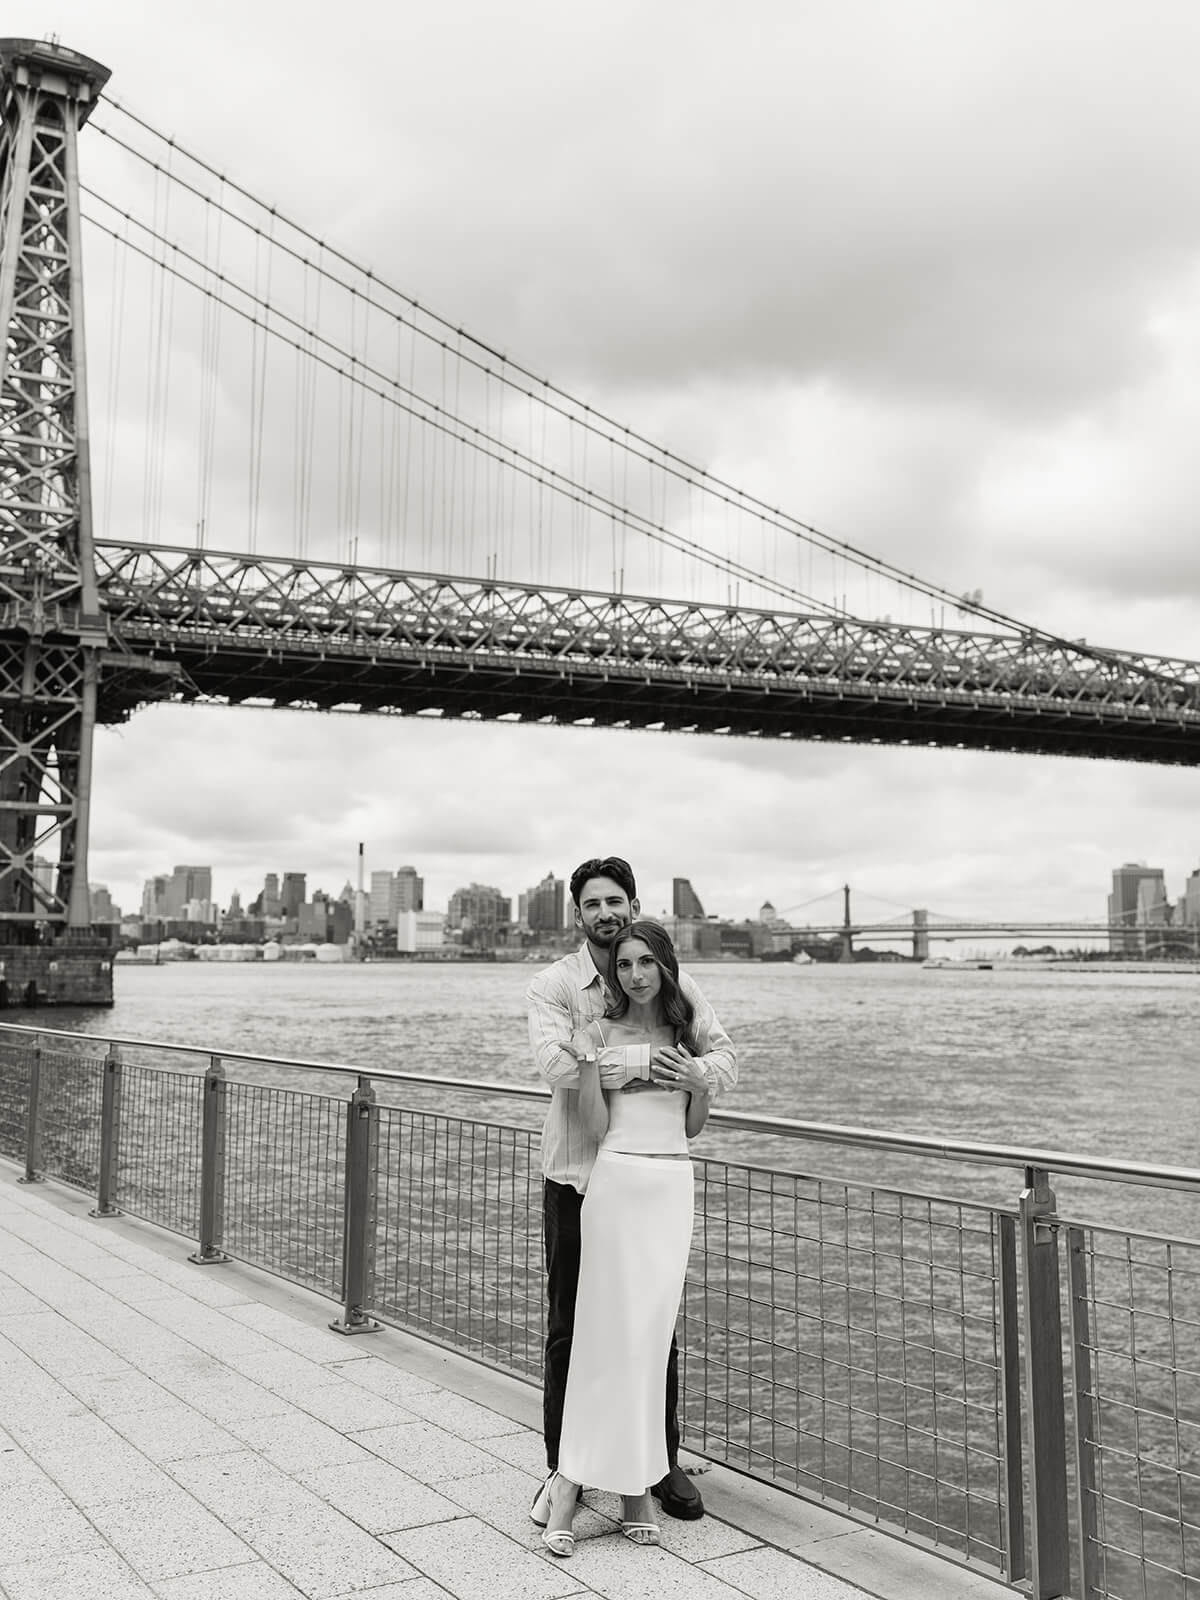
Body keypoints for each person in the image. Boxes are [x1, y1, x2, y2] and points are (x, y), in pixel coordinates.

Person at [526, 857, 736, 1530]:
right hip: (578, 1176)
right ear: (578, 913)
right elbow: (558, 1066)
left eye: (616, 900)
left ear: (634, 904)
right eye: (593, 903)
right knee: (572, 1332)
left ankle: (656, 1464)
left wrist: (694, 1071)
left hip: (657, 1178)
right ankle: (565, 1471)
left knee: (653, 1327)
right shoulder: (555, 985)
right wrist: (650, 1065)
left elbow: (722, 1058)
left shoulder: (674, 985)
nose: (605, 912)